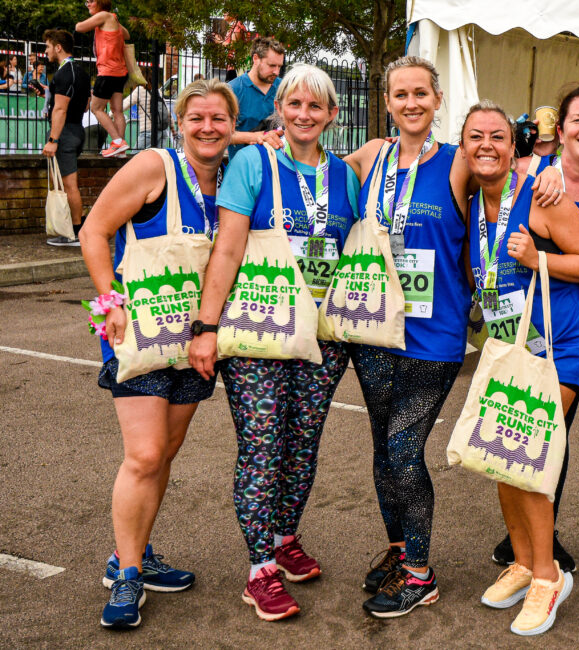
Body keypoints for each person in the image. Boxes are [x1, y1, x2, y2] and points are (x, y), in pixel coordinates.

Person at [187, 64, 361, 622]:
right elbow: (228, 251)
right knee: (263, 448)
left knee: (302, 444)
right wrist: (205, 327)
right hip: (258, 330)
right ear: (278, 111)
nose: (304, 115)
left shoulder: (344, 177)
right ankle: (260, 567)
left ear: (332, 115)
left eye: (316, 106)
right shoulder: (251, 162)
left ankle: (284, 536)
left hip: (320, 337)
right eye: (294, 104)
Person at [78, 78, 238, 630]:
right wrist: (108, 303)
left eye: (219, 118)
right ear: (180, 122)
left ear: (231, 124)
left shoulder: (230, 181)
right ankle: (123, 572)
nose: (208, 128)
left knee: (164, 453)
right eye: (197, 118)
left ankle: (138, 554)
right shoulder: (153, 166)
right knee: (144, 455)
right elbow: (94, 230)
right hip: (139, 336)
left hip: (192, 341)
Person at [341, 56, 475, 619]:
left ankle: (421, 573)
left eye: (422, 93)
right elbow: (309, 169)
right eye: (401, 94)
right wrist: (265, 139)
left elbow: (505, 182)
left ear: (438, 99)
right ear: (388, 101)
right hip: (372, 330)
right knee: (383, 450)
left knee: (403, 449)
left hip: (434, 334)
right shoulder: (370, 156)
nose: (411, 103)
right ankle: (400, 552)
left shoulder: (460, 161)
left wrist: (542, 170)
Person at [464, 100, 579, 636]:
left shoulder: (542, 197)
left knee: (526, 451)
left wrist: (535, 258)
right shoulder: (474, 199)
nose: (487, 146)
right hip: (512, 341)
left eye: (498, 136)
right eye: (476, 136)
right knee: (499, 455)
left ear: (514, 144)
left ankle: (548, 575)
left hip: (564, 341)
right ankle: (522, 561)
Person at [489, 83, 579, 572]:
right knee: (519, 442)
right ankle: (523, 551)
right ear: (558, 129)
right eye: (577, 120)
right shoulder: (527, 177)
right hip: (519, 328)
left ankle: (542, 560)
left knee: (537, 438)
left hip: (570, 328)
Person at [41, 29, 91, 247]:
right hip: (77, 129)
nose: (46, 51)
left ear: (58, 47)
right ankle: (71, 230)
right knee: (67, 185)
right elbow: (86, 104)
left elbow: (60, 110)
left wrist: (53, 140)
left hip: (66, 133)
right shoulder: (80, 72)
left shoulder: (64, 73)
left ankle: (76, 233)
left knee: (70, 185)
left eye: (48, 47)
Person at [76, 0, 131, 157]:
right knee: (117, 110)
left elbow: (79, 27)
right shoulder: (113, 18)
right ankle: (120, 149)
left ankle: (117, 142)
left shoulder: (104, 16)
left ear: (100, 3)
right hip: (120, 72)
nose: (88, 5)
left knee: (96, 108)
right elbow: (126, 34)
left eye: (90, 1)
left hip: (108, 71)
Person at [227, 36, 286, 158]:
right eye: (272, 65)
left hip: (279, 167)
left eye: (279, 66)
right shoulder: (233, 90)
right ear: (256, 59)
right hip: (244, 167)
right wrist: (258, 136)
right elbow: (221, 134)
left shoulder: (284, 87)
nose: (276, 72)